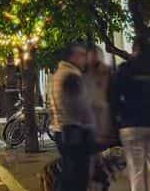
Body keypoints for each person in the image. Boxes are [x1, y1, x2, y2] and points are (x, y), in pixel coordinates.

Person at [110, 36, 150, 191]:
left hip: (131, 124)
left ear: (134, 49)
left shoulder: (125, 70)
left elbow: (112, 96)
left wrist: (119, 116)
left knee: (136, 171)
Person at [49, 42, 96, 191]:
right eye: (82, 55)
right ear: (74, 56)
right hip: (74, 131)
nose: (85, 59)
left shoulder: (59, 73)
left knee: (70, 174)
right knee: (77, 177)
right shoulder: (71, 75)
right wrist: (92, 126)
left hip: (63, 130)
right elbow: (81, 106)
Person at [83, 46, 116, 190]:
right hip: (90, 128)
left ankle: (101, 184)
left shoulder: (107, 73)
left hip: (103, 127)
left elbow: (113, 99)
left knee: (101, 166)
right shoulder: (83, 75)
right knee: (92, 166)